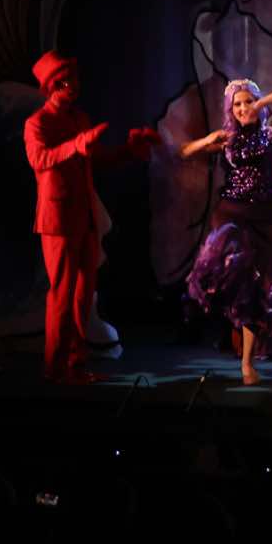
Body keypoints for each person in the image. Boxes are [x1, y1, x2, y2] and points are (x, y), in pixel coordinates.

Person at [23, 53, 159, 384]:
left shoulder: (79, 118)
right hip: (58, 219)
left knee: (83, 296)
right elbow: (40, 159)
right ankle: (56, 368)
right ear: (52, 85)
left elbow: (96, 159)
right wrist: (77, 144)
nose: (73, 86)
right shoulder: (37, 122)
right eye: (66, 81)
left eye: (75, 79)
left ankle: (76, 362)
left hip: (83, 216)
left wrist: (129, 150)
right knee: (62, 294)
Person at [180, 78, 272, 385]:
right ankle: (223, 332)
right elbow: (185, 152)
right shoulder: (228, 139)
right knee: (229, 276)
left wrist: (261, 103)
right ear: (230, 109)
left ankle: (247, 362)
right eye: (238, 104)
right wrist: (207, 140)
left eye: (248, 101)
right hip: (234, 215)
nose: (244, 107)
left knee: (258, 292)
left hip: (268, 220)